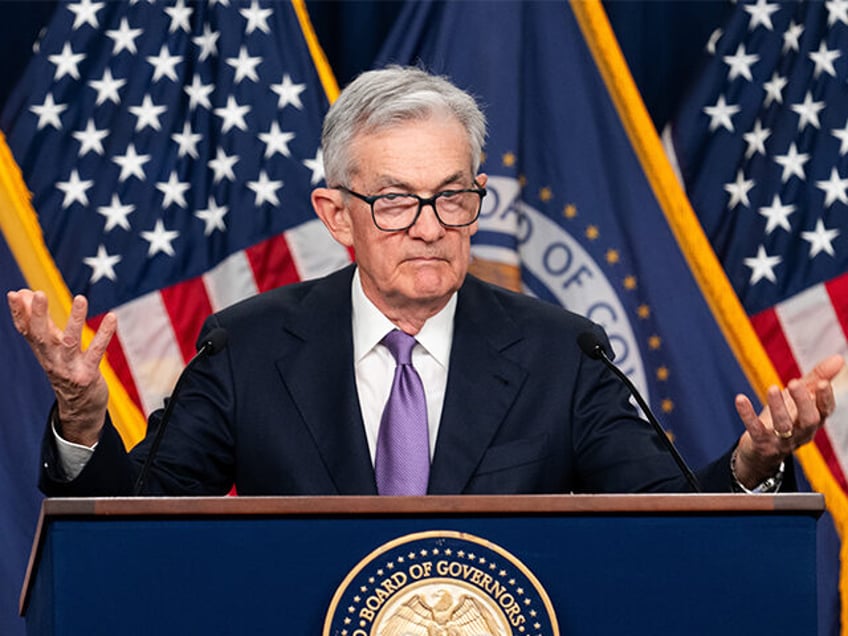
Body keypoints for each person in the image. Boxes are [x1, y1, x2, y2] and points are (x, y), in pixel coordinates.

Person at [7, 66, 842, 497]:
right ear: (336, 215)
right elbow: (136, 524)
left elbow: (665, 528)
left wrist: (750, 461)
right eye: (398, 200)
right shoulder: (247, 346)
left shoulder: (560, 352)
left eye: (454, 195)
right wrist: (82, 416)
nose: (433, 224)